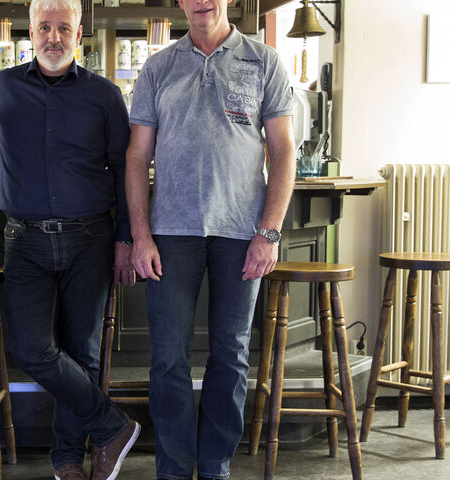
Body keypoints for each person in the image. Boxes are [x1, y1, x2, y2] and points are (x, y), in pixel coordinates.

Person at [125, 0, 296, 479]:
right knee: (168, 360)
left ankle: (216, 466)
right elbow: (137, 157)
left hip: (242, 234)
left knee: (231, 355)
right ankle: (174, 469)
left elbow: (283, 152)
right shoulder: (158, 67)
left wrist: (269, 233)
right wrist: (140, 235)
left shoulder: (264, 60)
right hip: (170, 234)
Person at [0, 0, 140, 478]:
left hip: (92, 238)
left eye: (62, 27)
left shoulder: (106, 95)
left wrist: (127, 238)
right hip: (24, 240)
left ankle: (68, 460)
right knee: (30, 348)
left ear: (79, 32)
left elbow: (125, 171)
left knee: (83, 352)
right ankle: (112, 425)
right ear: (30, 31)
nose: (52, 36)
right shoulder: (3, 87)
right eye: (44, 27)